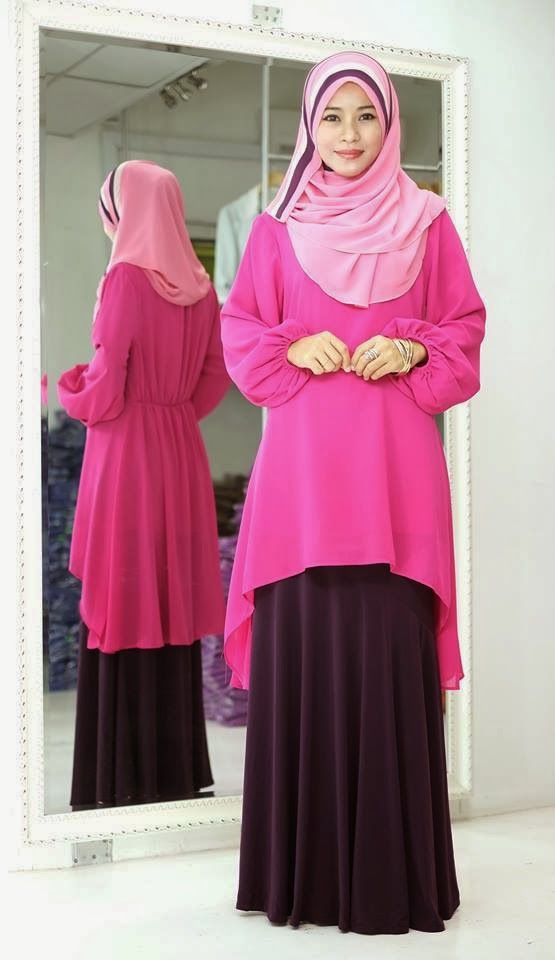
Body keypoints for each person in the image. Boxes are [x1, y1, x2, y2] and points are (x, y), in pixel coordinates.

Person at [220, 52, 485, 934]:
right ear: (308, 124)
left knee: (384, 657)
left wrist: (410, 347)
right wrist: (292, 343)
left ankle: (391, 879)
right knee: (306, 659)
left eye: (365, 115)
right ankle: (299, 878)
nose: (347, 134)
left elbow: (463, 332)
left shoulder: (428, 224)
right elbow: (241, 332)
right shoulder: (275, 228)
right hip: (299, 486)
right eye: (330, 116)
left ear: (389, 124)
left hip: (394, 482)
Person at [57, 160, 231, 809]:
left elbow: (104, 387)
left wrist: (73, 391)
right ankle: (174, 773)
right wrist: (172, 413)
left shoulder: (126, 277)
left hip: (125, 450)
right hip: (179, 450)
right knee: (167, 596)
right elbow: (215, 376)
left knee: (123, 590)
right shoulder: (202, 289)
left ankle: (118, 776)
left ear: (122, 211)